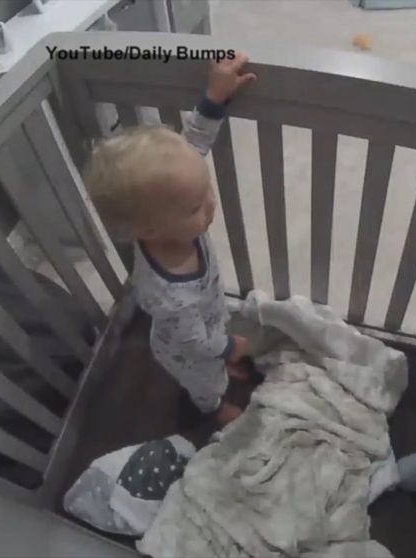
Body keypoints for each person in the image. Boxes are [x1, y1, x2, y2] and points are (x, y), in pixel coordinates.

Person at [84, 54, 258, 426]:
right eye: (197, 206)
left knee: (217, 336)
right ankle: (213, 409)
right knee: (206, 381)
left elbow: (194, 142)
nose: (211, 205)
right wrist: (228, 347)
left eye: (206, 191)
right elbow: (194, 344)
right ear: (150, 229)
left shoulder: (166, 209)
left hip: (207, 317)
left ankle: (223, 358)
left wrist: (215, 96)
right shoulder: (170, 296)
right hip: (187, 352)